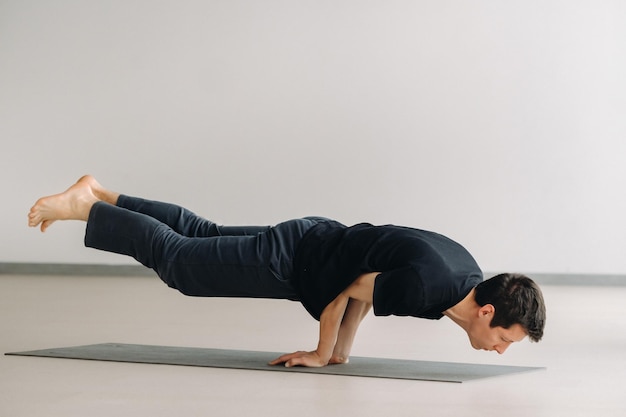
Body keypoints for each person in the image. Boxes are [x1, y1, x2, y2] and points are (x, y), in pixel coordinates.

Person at [28, 175, 546, 368]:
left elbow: (369, 281)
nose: (501, 348)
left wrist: (342, 351)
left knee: (202, 232)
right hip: (293, 260)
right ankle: (82, 208)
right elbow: (350, 288)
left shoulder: (463, 275)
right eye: (505, 337)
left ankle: (99, 192)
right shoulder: (431, 290)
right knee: (182, 264)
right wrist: (324, 352)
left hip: (312, 236)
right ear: (488, 311)